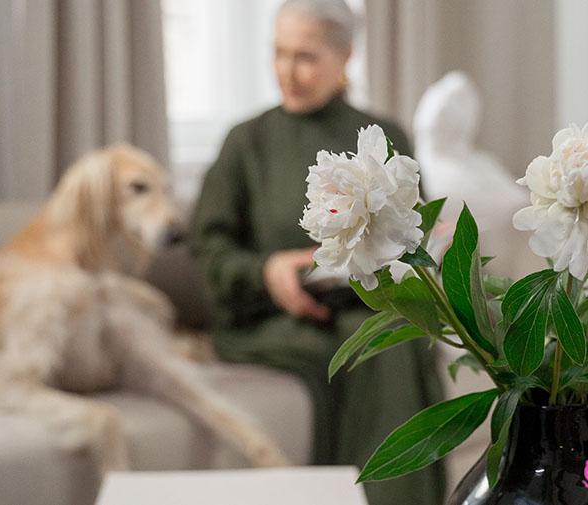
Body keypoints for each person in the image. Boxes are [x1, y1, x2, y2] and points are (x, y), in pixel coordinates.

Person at [190, 1, 446, 504]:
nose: (287, 71)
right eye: (279, 53)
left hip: (364, 306)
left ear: (345, 56)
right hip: (268, 316)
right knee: (369, 348)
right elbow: (208, 249)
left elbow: (414, 232)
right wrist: (266, 271)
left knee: (394, 336)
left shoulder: (384, 136)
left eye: (305, 57)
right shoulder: (246, 143)